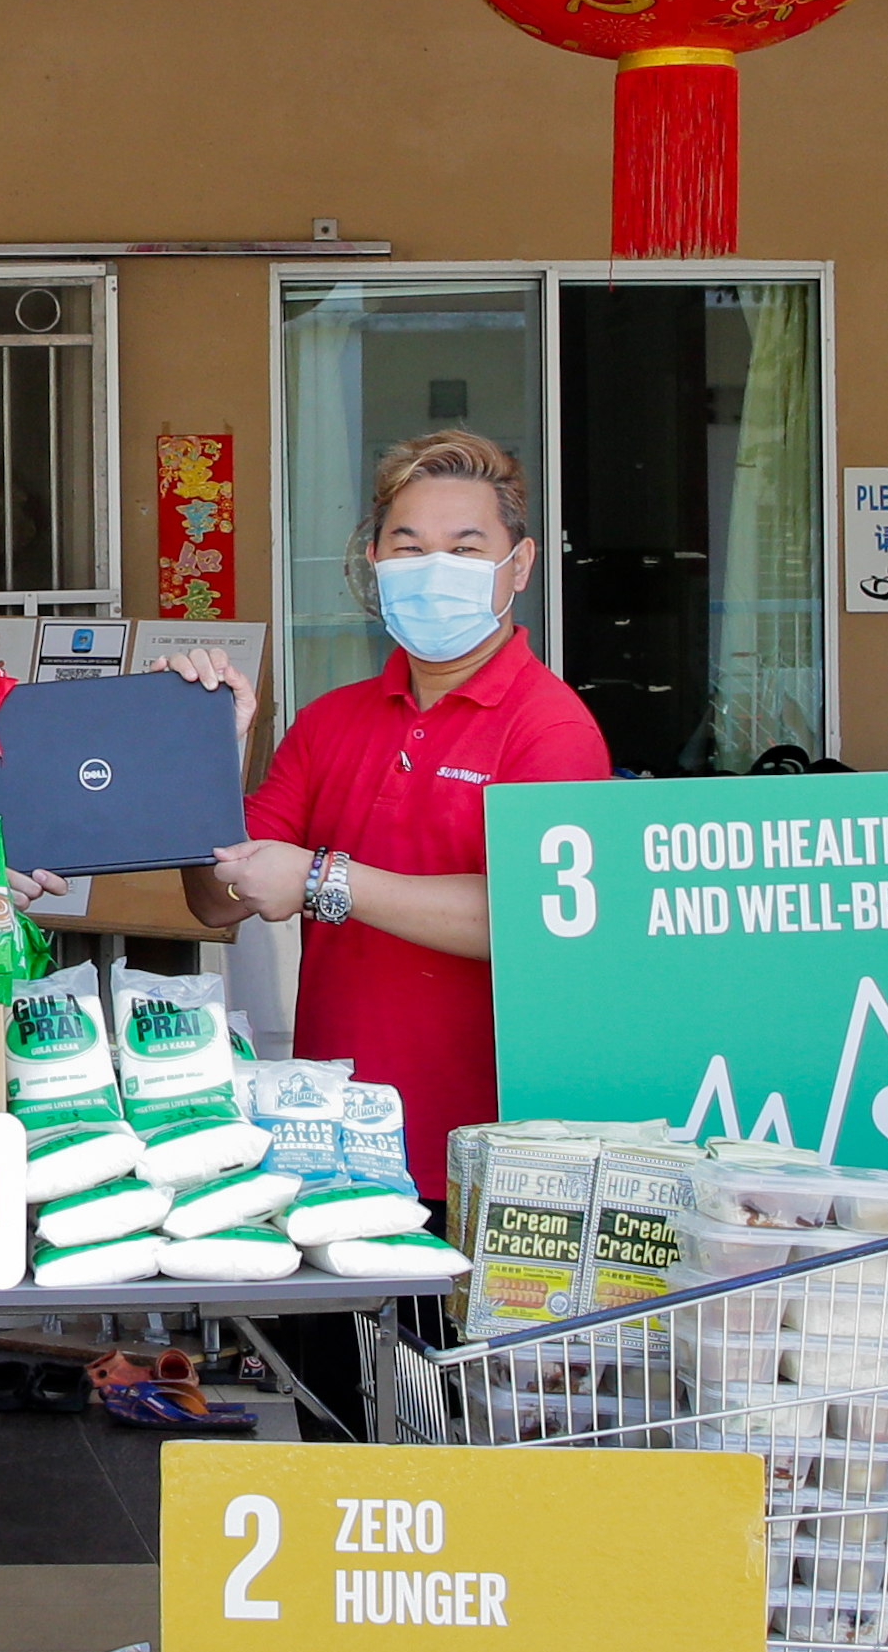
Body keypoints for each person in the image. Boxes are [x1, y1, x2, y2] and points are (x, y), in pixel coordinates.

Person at [187, 425, 616, 1198]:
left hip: (480, 1159)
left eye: (464, 548)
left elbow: (529, 918)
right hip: (325, 1148)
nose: (433, 570)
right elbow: (215, 899)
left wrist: (321, 879)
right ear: (376, 564)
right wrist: (204, 757)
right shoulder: (329, 722)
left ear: (517, 566)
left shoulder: (548, 727)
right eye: (409, 547)